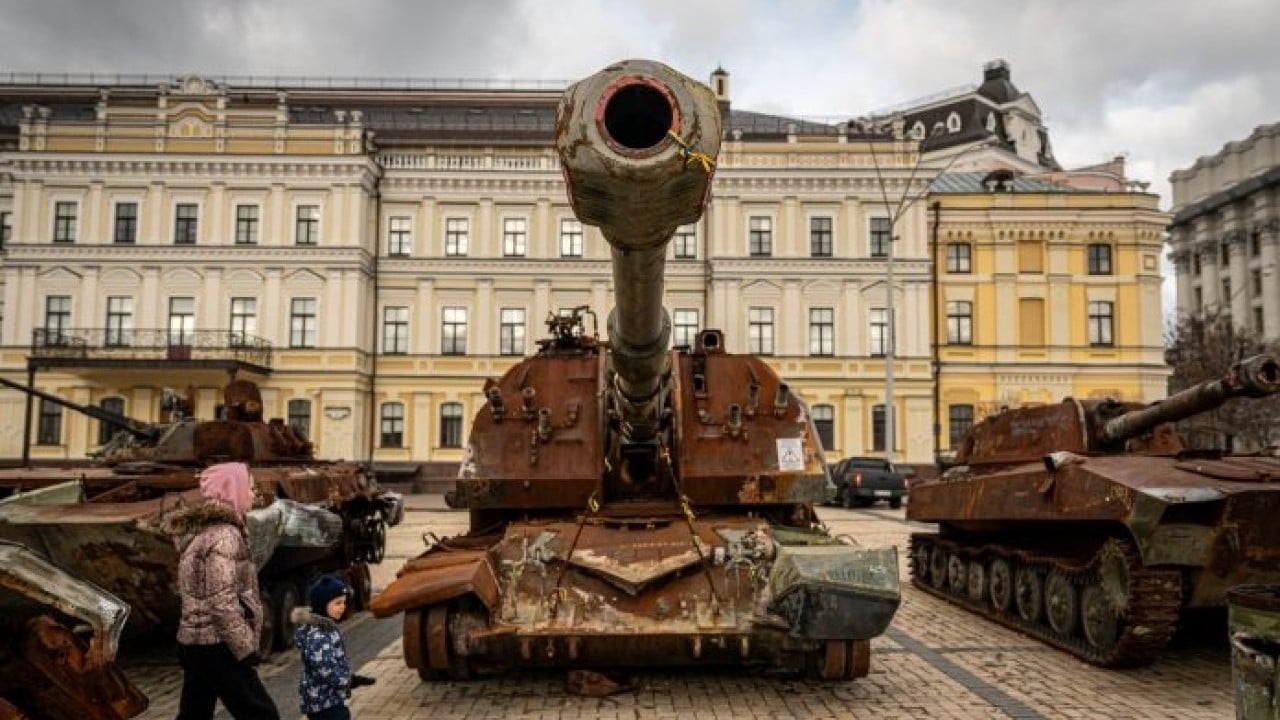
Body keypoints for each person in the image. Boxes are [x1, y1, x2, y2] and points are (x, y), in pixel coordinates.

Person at [163, 461, 280, 719]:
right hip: (219, 645)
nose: (253, 494)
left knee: (194, 714)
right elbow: (222, 602)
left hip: (193, 642)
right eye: (249, 487)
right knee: (262, 715)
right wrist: (245, 648)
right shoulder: (225, 535)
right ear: (233, 490)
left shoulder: (201, 531)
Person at [293, 575, 376, 720]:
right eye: (337, 603)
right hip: (321, 702)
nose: (343, 607)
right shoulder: (318, 636)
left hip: (328, 698)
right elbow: (326, 669)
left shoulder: (327, 628)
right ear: (322, 605)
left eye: (344, 602)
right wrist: (350, 681)